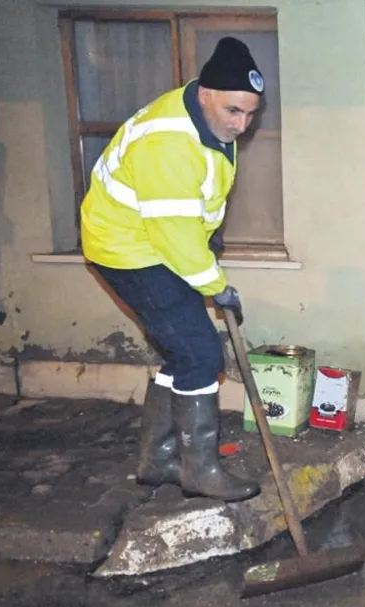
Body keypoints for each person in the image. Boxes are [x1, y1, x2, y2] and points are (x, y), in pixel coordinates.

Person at [81, 37, 267, 502]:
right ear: (204, 93)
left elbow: (200, 194)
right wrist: (216, 285)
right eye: (233, 111)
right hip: (129, 248)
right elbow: (173, 232)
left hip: (155, 242)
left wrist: (210, 236)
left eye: (250, 114)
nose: (241, 125)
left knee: (185, 352)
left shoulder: (208, 121)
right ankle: (199, 471)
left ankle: (158, 459)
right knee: (201, 355)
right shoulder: (168, 142)